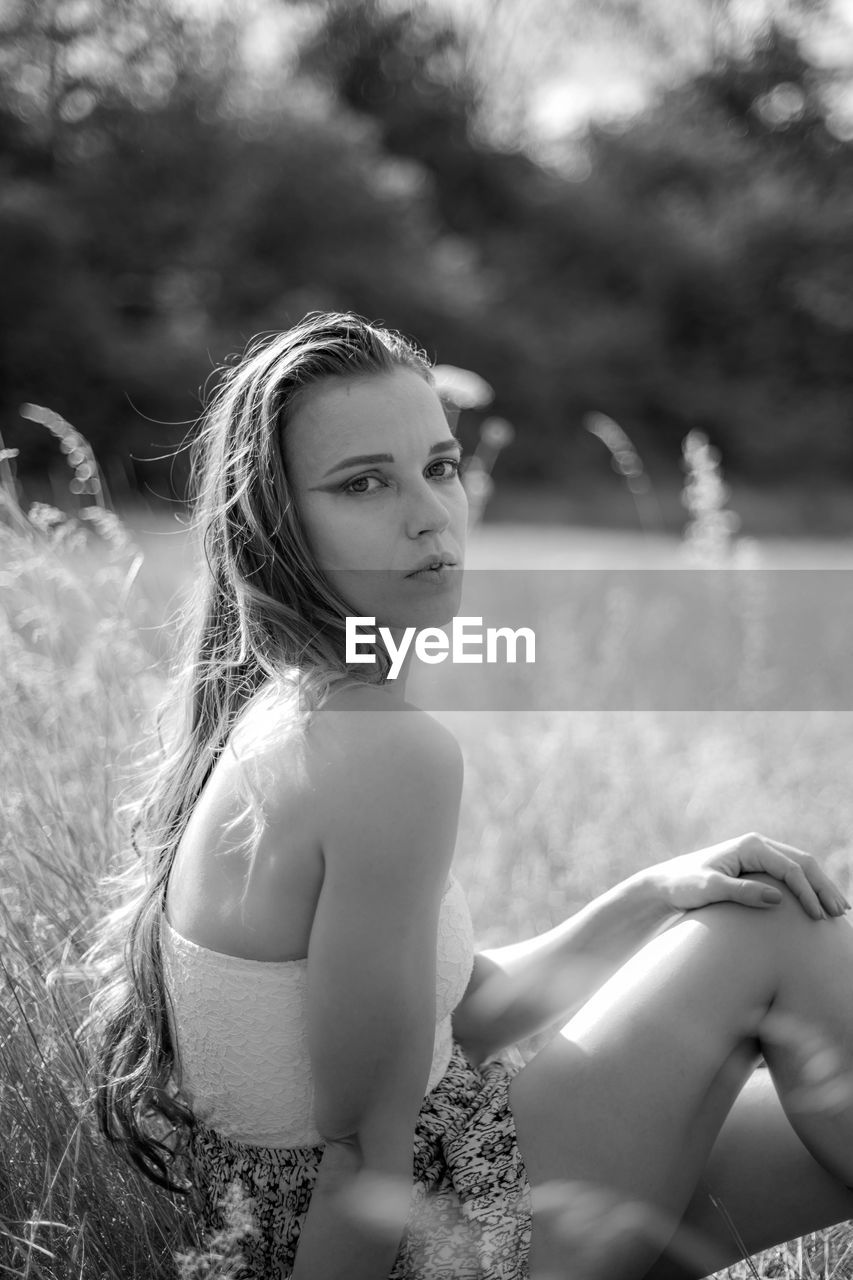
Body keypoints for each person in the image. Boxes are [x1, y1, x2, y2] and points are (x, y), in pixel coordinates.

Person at [85, 311, 853, 1280]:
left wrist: (653, 894)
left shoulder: (298, 711)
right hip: (426, 1233)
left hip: (443, 1176)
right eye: (364, 482)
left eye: (438, 467)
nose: (428, 514)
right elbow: (363, 1148)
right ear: (274, 523)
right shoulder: (376, 751)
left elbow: (462, 1010)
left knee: (796, 1109)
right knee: (774, 921)